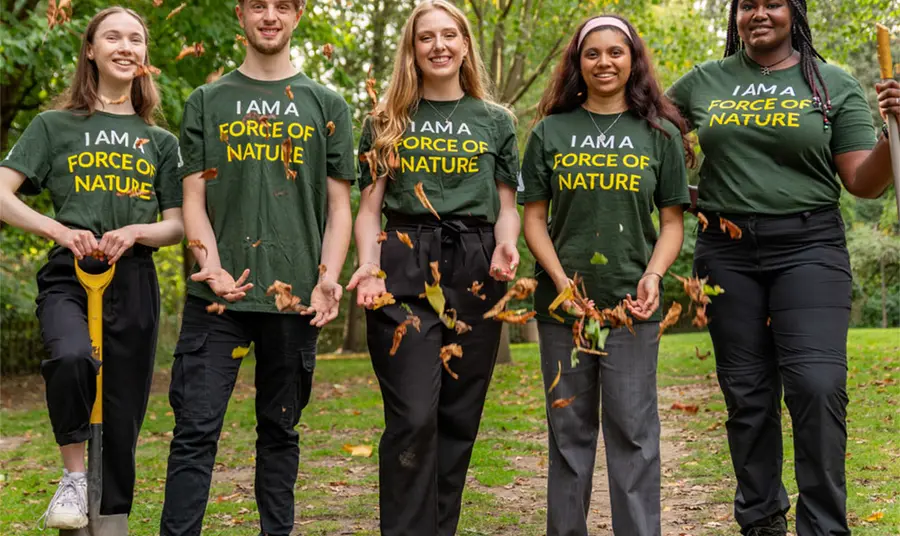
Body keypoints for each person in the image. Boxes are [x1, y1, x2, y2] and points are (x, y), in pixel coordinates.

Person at [666, 0, 899, 534]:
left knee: (818, 386)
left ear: (794, 12)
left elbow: (864, 182)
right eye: (748, 4)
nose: (759, 13)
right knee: (746, 394)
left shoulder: (832, 84)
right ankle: (762, 520)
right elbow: (650, 130)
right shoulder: (702, 81)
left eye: (772, 2)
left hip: (809, 246)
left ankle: (822, 526)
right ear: (736, 15)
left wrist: (893, 134)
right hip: (726, 252)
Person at [158, 0, 354, 534]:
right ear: (240, 15)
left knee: (280, 431)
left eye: (282, 6)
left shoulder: (328, 103)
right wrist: (212, 266)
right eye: (258, 6)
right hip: (217, 299)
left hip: (294, 300)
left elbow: (340, 207)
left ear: (298, 15)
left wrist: (328, 277)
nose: (270, 15)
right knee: (195, 430)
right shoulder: (207, 100)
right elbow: (192, 197)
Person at [0, 6, 184, 531]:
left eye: (136, 39)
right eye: (113, 37)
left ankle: (109, 524)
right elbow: (2, 192)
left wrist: (137, 232)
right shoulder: (53, 126)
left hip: (133, 278)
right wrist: (59, 231)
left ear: (145, 57)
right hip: (71, 271)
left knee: (122, 413)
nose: (126, 46)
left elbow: (178, 225)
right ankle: (74, 478)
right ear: (90, 50)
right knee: (71, 356)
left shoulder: (161, 142)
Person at [346, 1, 520, 534]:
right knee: (414, 416)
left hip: (475, 264)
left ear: (465, 44)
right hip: (403, 261)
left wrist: (506, 246)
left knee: (458, 417)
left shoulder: (497, 120)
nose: (439, 46)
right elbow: (369, 207)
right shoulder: (385, 119)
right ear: (413, 49)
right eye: (427, 38)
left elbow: (508, 206)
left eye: (449, 36)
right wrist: (369, 266)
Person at [520, 14, 691, 536]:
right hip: (566, 310)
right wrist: (562, 285)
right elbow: (533, 218)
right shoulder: (550, 131)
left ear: (633, 59)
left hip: (630, 311)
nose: (604, 62)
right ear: (578, 63)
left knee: (634, 433)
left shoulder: (660, 133)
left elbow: (671, 222)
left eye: (616, 52)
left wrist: (655, 275)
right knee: (569, 434)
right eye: (592, 53)